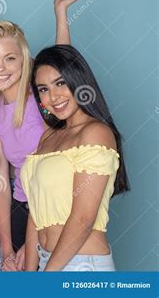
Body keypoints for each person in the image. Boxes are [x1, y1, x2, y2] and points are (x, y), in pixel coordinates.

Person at [0, 0, 91, 271]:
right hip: (22, 206)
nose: (0, 68)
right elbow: (1, 180)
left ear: (24, 59)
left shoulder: (43, 96)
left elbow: (64, 69)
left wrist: (60, 14)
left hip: (59, 207)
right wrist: (6, 248)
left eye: (9, 58)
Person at [23, 44, 129, 271]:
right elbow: (37, 211)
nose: (53, 96)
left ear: (78, 81)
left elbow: (83, 219)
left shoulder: (96, 133)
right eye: (43, 89)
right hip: (46, 261)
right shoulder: (48, 136)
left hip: (82, 266)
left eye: (60, 83)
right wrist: (31, 274)